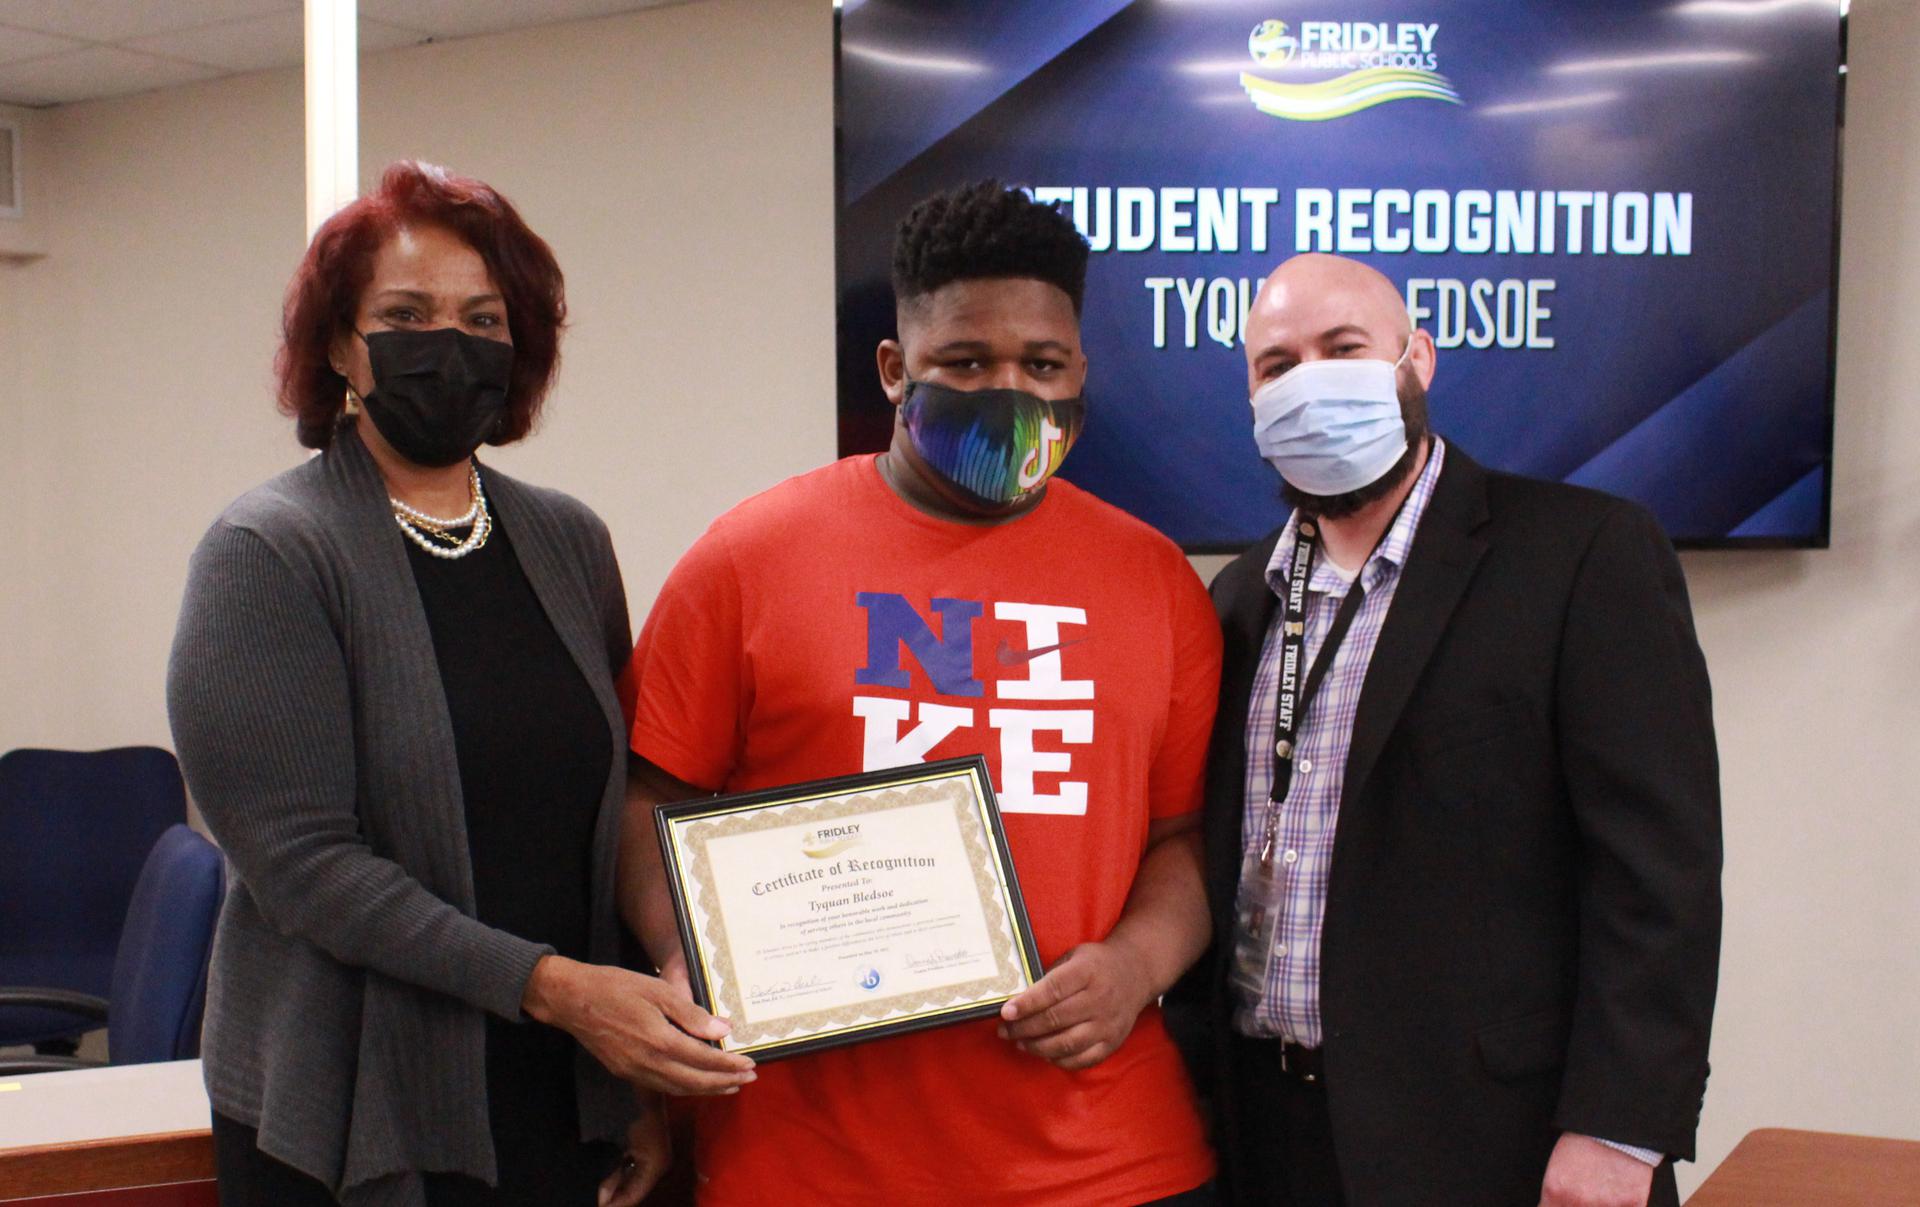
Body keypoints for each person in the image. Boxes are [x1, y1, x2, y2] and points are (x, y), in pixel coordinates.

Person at [617, 180, 1223, 1205]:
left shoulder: (1157, 581)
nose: (1009, 392)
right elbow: (646, 798)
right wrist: (691, 954)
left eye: (1042, 364)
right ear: (895, 370)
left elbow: (1183, 838)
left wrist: (1133, 966)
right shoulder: (749, 558)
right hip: (811, 1161)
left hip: (1107, 1160)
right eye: (967, 362)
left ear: (1081, 370)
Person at [167, 161, 753, 1207]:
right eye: (408, 314)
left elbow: (607, 811)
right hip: (356, 1106)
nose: (451, 345)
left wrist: (637, 1082)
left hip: (558, 1092)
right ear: (343, 347)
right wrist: (559, 992)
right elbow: (305, 866)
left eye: (484, 318)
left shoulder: (568, 542)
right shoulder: (266, 552)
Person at [1180, 252, 1722, 1207]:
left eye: (1343, 348)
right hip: (1270, 1132)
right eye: (1278, 364)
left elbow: (1657, 872)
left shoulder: (1583, 554)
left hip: (1494, 1143)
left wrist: (1620, 1131)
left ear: (1416, 359)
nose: (1310, 381)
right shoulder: (1240, 597)